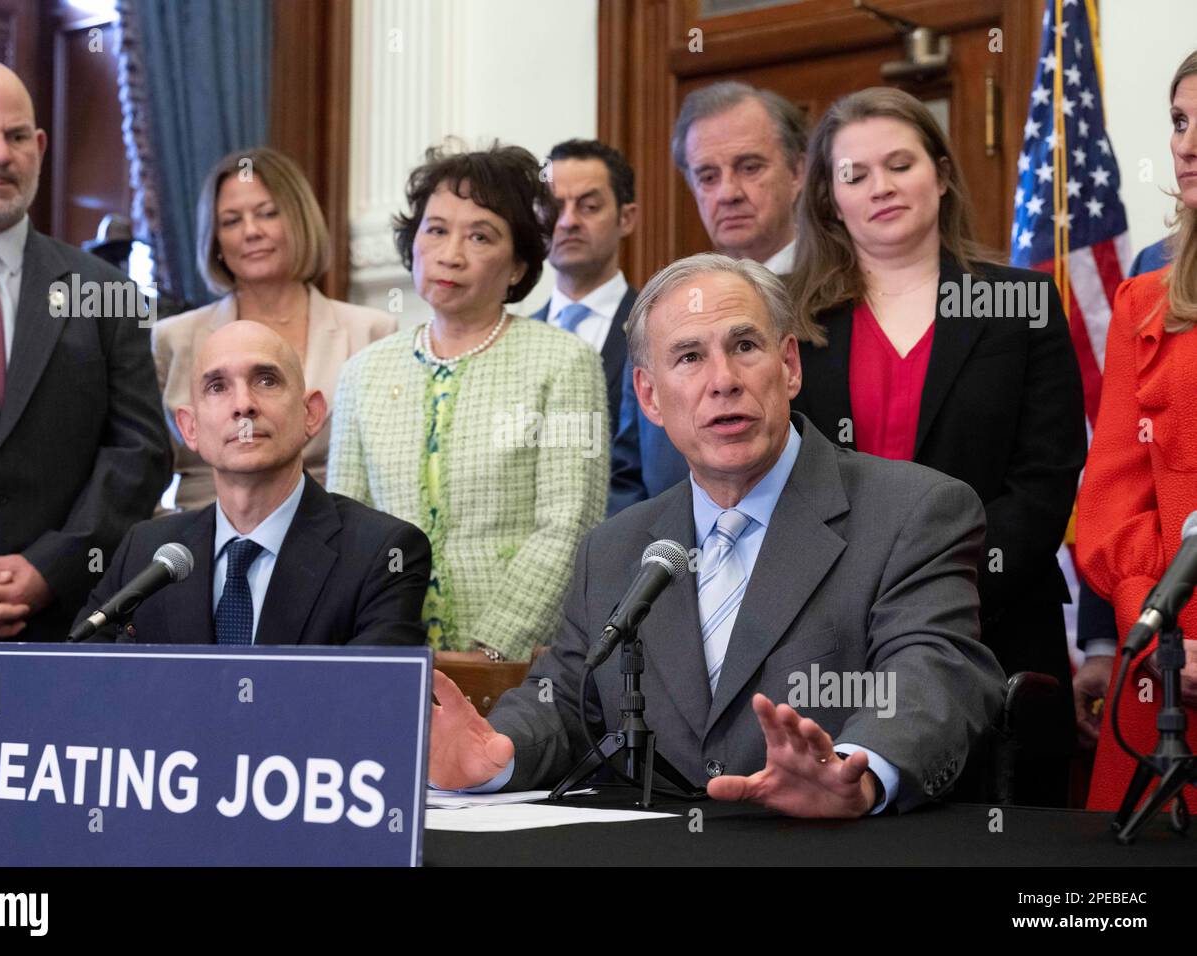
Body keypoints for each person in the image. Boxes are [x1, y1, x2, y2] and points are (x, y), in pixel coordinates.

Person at [429, 253, 1006, 816]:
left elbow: (935, 674)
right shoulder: (615, 549)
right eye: (688, 357)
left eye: (745, 347)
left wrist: (854, 770)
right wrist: (497, 753)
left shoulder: (913, 511)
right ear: (650, 396)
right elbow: (568, 702)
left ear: (789, 366)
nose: (723, 381)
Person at [786, 89, 1085, 805]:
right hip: (829, 647)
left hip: (999, 633)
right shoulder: (787, 321)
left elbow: (1045, 481)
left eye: (900, 164)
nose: (881, 187)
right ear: (829, 200)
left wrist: (942, 590)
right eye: (855, 174)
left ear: (942, 175)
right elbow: (774, 479)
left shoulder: (1023, 304)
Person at [0, 60, 169, 691]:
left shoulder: (107, 292)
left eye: (18, 136)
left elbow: (141, 451)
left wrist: (49, 567)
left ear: (40, 147)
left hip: (62, 640)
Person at [327, 143, 608, 663]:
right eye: (435, 230)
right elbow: (344, 526)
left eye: (480, 235)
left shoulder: (566, 361)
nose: (450, 254)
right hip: (386, 654)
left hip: (519, 663)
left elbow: (570, 523)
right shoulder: (364, 371)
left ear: (519, 265)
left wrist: (493, 650)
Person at [74, 321, 430, 646]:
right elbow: (84, 685)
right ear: (189, 428)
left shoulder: (383, 552)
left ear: (311, 414)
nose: (243, 405)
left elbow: (370, 704)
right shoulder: (146, 550)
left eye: (266, 380)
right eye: (217, 387)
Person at [1075, 50, 1197, 813]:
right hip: (1170, 672)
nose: (1185, 144)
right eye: (1180, 122)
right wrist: (1165, 635)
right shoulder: (1146, 300)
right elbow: (1114, 503)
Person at [154, 147, 395, 510]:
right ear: (216, 240)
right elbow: (144, 466)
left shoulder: (372, 332)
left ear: (300, 221)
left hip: (335, 537)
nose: (251, 232)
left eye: (267, 214)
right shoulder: (172, 339)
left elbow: (389, 468)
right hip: (201, 537)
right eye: (232, 221)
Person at [610, 82, 807, 513]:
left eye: (750, 167)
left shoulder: (844, 298)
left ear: (798, 172)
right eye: (708, 176)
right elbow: (628, 474)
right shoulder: (662, 312)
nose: (728, 192)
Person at [530, 139, 639, 441]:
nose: (568, 221)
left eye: (589, 206)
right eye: (554, 207)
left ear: (626, 218)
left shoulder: (656, 323)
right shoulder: (517, 337)